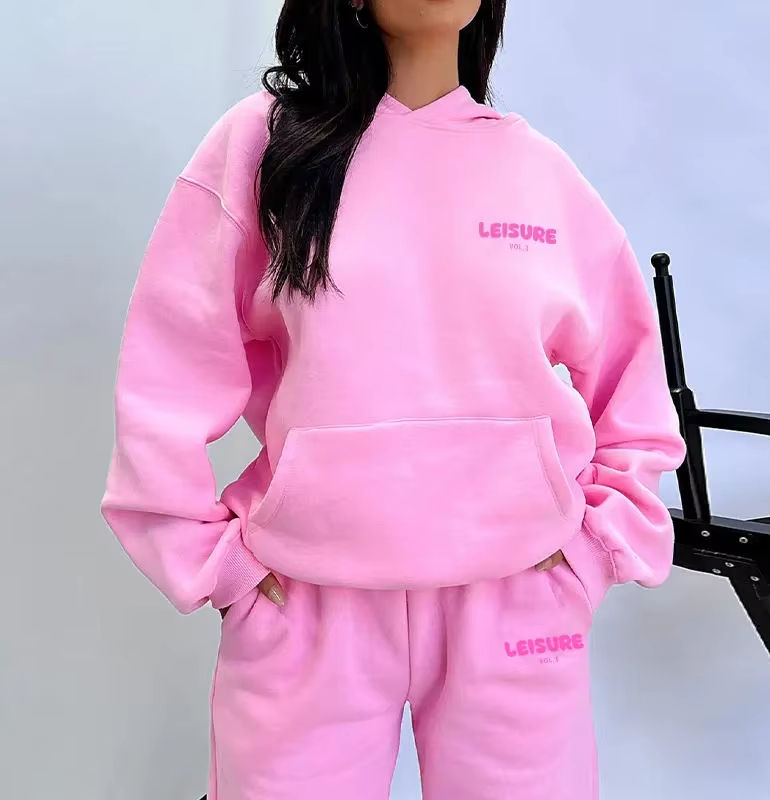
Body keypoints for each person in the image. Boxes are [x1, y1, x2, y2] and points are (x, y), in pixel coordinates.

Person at [100, 1, 687, 798]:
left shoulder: (538, 172)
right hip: (308, 599)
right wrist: (212, 564)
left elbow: (632, 384)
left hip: (515, 596)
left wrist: (596, 550)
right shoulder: (266, 147)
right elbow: (167, 369)